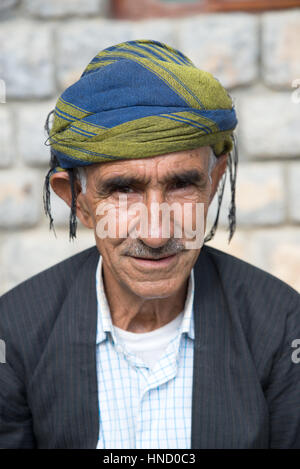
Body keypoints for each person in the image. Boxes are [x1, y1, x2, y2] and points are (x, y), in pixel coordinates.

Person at [0, 40, 299, 449]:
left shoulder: (283, 329)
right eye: (123, 189)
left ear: (213, 184)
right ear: (77, 200)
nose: (156, 234)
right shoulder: (13, 335)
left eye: (182, 184)